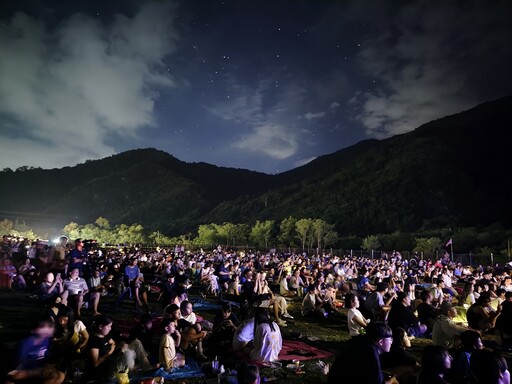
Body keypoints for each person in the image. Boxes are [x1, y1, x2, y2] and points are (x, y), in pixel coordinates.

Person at [328, 321, 394, 384]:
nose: (392, 342)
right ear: (381, 342)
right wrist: (391, 381)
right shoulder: (371, 354)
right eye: (390, 339)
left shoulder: (363, 344)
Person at [6, 316, 65, 384]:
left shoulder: (46, 341)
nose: (50, 329)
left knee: (60, 376)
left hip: (36, 372)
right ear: (35, 330)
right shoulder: (27, 344)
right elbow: (18, 366)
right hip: (23, 372)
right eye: (46, 327)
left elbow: (46, 358)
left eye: (51, 326)